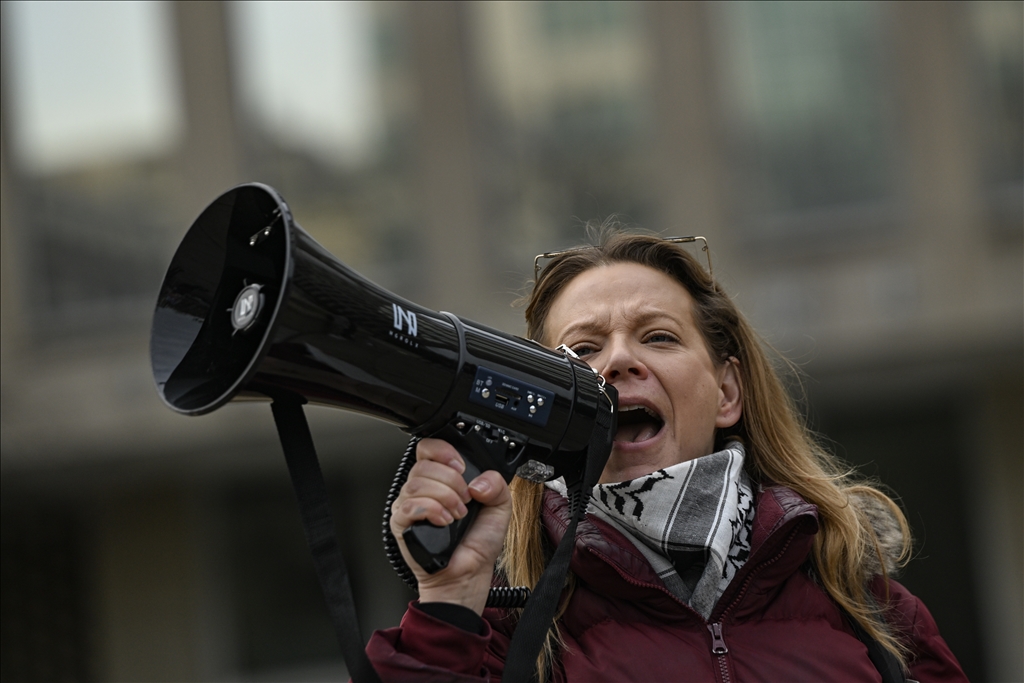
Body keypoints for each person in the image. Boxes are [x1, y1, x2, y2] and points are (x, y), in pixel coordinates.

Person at [367, 231, 967, 682]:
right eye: (581, 350)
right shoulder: (500, 627)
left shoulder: (861, 599)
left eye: (658, 336)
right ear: (545, 404)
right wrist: (448, 609)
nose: (618, 362)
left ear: (727, 391)